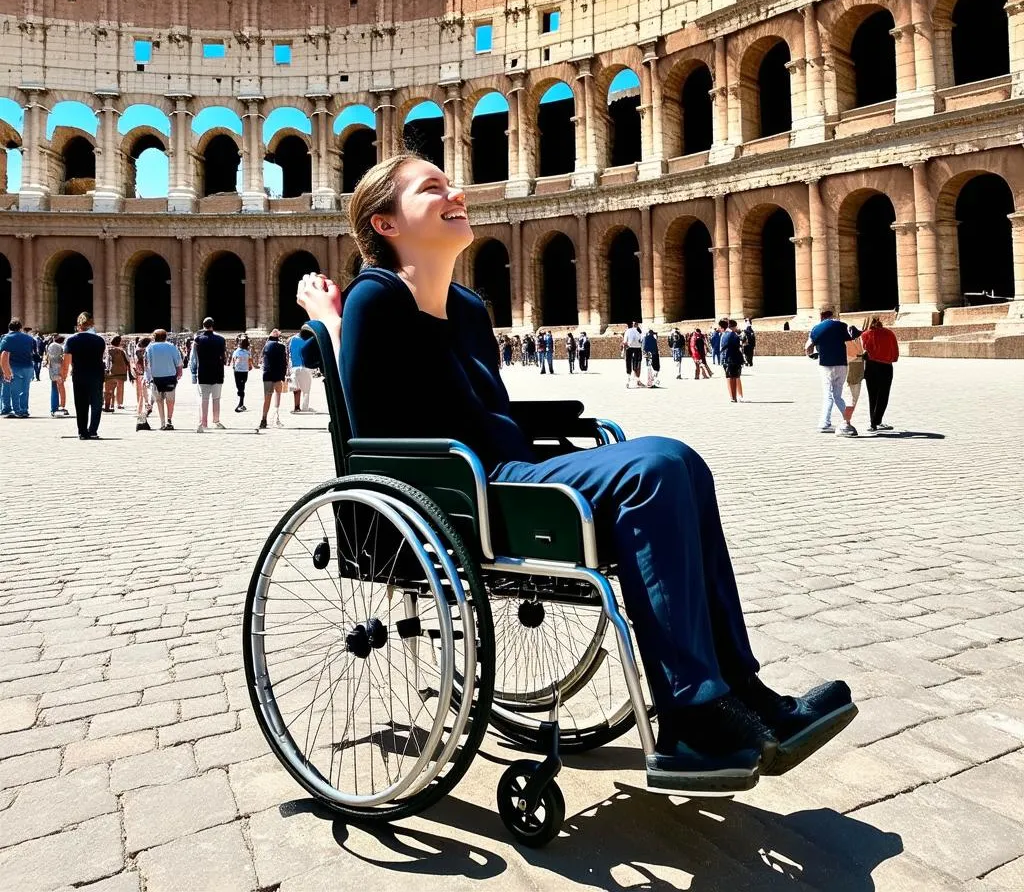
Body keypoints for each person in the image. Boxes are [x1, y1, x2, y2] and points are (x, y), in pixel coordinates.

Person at [297, 155, 856, 792]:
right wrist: (331, 320)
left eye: (452, 182)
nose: (457, 192)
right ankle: (691, 716)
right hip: (460, 493)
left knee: (683, 463)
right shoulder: (377, 297)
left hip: (511, 472)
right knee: (654, 468)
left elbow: (496, 410)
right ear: (387, 223)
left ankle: (743, 694)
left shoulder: (468, 308)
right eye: (432, 188)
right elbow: (369, 427)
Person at [806, 309, 859, 437]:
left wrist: (812, 355)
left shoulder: (816, 328)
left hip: (825, 365)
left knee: (828, 395)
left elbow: (807, 347)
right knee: (837, 395)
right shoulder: (841, 326)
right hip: (841, 364)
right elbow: (851, 341)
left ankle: (825, 423)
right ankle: (847, 421)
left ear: (821, 316)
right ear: (833, 314)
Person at [62, 312, 106, 438]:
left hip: (79, 375)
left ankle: (82, 432)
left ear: (78, 326)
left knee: (81, 403)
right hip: (96, 374)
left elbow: (67, 361)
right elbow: (100, 358)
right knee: (96, 403)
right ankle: (93, 430)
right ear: (91, 325)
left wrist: (63, 375)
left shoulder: (71, 340)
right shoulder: (99, 340)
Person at [861, 316, 900, 432]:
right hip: (886, 367)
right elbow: (895, 353)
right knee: (883, 395)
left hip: (870, 367)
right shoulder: (889, 333)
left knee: (872, 395)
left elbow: (863, 350)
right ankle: (877, 420)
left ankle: (873, 422)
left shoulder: (865, 335)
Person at [193, 317, 227, 432]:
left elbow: (194, 359)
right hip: (217, 371)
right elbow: (223, 357)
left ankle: (204, 422)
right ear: (213, 325)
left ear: (203, 325)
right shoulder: (221, 339)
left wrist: (194, 374)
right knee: (216, 398)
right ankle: (216, 420)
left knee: (204, 399)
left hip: (203, 371)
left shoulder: (198, 339)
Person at [145, 328, 183, 431]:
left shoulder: (150, 348)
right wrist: (179, 373)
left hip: (156, 377)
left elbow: (147, 364)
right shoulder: (172, 347)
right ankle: (169, 420)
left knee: (159, 400)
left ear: (154, 337)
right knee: (170, 400)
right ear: (165, 337)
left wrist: (147, 377)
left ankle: (162, 422)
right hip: (170, 376)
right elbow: (178, 362)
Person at [0, 318, 36, 418]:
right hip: (28, 366)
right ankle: (24, 409)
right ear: (20, 328)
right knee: (25, 389)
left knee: (15, 390)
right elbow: (32, 352)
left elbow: (4, 354)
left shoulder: (7, 338)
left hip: (14, 366)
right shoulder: (29, 338)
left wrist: (6, 371)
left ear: (9, 328)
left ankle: (18, 410)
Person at [260, 328, 287, 429]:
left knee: (267, 398)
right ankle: (276, 418)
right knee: (278, 396)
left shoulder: (266, 346)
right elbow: (284, 363)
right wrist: (283, 376)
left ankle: (264, 418)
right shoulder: (281, 346)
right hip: (277, 375)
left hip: (267, 374)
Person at [719, 319, 745, 403]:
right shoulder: (732, 334)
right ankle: (734, 397)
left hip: (726, 358)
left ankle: (733, 397)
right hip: (732, 358)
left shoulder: (725, 334)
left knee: (730, 377)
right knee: (733, 378)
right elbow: (736, 347)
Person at [103, 335, 131, 412]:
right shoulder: (122, 351)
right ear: (119, 342)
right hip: (121, 373)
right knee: (120, 389)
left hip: (109, 373)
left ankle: (109, 404)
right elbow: (127, 361)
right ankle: (119, 404)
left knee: (108, 390)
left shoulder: (107, 350)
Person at [844, 326, 866, 422]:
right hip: (853, 371)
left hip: (856, 371)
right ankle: (846, 420)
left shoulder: (855, 341)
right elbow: (851, 356)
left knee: (853, 397)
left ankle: (847, 419)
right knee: (852, 397)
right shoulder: (850, 343)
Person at [289, 329, 313, 413]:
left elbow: (289, 353)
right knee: (306, 390)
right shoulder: (308, 340)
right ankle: (305, 407)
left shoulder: (292, 339)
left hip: (294, 367)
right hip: (305, 367)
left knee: (296, 388)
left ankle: (296, 407)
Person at [46, 334, 69, 417]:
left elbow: (50, 359)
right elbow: (58, 359)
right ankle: (60, 406)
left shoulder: (51, 345)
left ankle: (55, 407)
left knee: (54, 389)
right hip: (58, 370)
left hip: (53, 369)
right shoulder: (58, 347)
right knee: (60, 389)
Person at [134, 336, 153, 431]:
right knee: (149, 399)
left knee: (143, 397)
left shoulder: (137, 351)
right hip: (148, 375)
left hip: (140, 374)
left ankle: (141, 416)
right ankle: (142, 419)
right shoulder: (148, 351)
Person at [231, 335, 252, 412]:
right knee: (239, 386)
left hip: (242, 371)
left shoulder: (247, 352)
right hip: (239, 370)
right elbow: (234, 360)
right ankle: (241, 400)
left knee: (241, 386)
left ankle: (241, 402)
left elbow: (249, 360)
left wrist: (250, 366)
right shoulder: (237, 351)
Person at [622, 321, 643, 388]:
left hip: (630, 348)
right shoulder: (639, 331)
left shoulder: (628, 331)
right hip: (638, 348)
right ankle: (637, 381)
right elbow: (641, 340)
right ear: (637, 325)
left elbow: (625, 342)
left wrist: (623, 351)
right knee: (637, 364)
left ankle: (628, 381)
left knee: (628, 364)